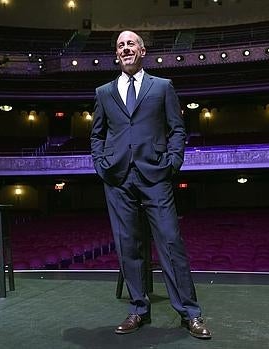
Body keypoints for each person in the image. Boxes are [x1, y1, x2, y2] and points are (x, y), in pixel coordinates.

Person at [90, 30, 211, 339]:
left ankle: (190, 313)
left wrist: (172, 162)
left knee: (170, 242)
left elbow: (176, 129)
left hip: (156, 174)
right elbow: (98, 133)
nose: (125, 48)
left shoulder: (163, 87)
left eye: (131, 43)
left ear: (142, 51)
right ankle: (138, 309)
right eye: (120, 45)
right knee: (128, 245)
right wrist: (101, 164)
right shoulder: (104, 92)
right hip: (117, 178)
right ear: (116, 55)